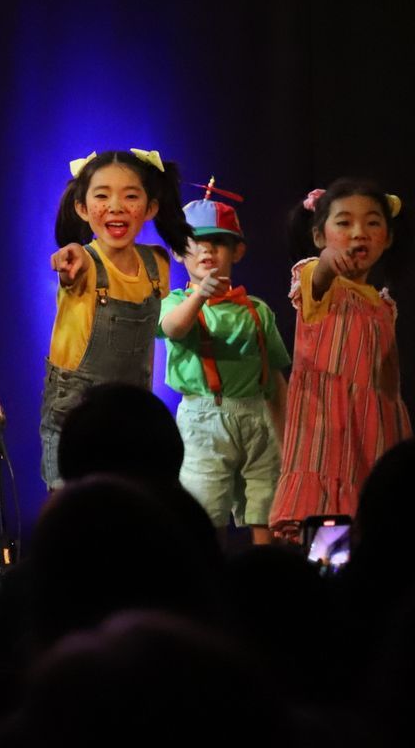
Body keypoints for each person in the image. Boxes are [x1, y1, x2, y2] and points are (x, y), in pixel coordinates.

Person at [39, 149, 193, 488]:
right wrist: (67, 258)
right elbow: (69, 259)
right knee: (74, 505)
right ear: (82, 208)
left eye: (131, 196)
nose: (116, 206)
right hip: (76, 412)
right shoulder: (82, 261)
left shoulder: (157, 263)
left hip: (132, 410)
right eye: (102, 195)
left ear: (151, 207)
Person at [271, 180, 410, 536]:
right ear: (319, 236)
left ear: (388, 237)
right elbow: (319, 276)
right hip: (327, 430)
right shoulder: (316, 281)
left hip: (374, 429)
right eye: (344, 223)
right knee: (327, 528)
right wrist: (328, 263)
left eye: (372, 223)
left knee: (374, 524)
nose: (358, 233)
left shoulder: (382, 305)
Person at [158, 185, 290, 542]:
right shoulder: (176, 302)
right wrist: (200, 295)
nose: (206, 249)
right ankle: (210, 587)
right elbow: (174, 327)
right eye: (194, 242)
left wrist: (288, 437)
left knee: (267, 505)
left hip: (258, 418)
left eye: (218, 241)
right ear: (178, 252)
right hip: (205, 422)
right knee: (205, 509)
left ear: (237, 250)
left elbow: (275, 376)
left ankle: (266, 580)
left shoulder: (257, 310)